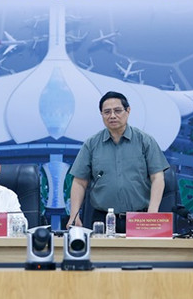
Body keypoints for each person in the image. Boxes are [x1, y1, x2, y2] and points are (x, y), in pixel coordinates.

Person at [66, 91, 170, 231]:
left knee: (140, 253)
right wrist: (74, 215)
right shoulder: (91, 144)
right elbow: (79, 182)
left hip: (140, 218)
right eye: (107, 112)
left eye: (118, 111)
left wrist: (152, 213)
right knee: (103, 253)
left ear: (128, 111)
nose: (112, 116)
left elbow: (157, 177)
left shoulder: (145, 141)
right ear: (102, 115)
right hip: (102, 219)